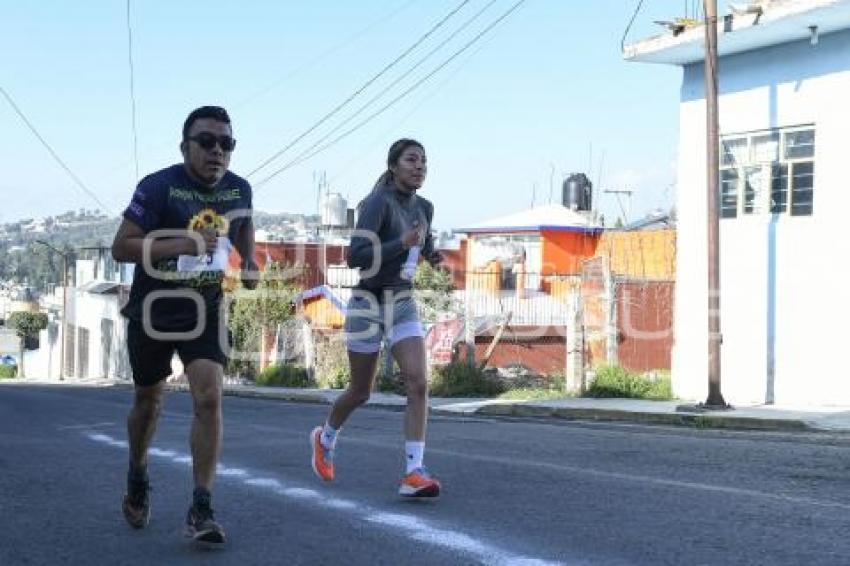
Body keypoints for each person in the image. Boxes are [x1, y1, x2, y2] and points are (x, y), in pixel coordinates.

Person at [111, 106, 257, 544]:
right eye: (207, 142)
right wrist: (182, 241)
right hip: (155, 307)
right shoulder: (158, 186)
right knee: (148, 402)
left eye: (226, 143)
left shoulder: (238, 189)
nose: (217, 151)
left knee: (209, 398)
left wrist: (248, 262)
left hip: (204, 308)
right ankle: (137, 471)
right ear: (185, 146)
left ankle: (201, 506)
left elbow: (245, 225)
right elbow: (121, 247)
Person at [310, 138, 443, 498]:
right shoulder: (377, 204)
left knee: (418, 383)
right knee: (360, 391)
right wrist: (401, 243)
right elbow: (356, 256)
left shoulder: (426, 207)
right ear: (393, 166)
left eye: (424, 161)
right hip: (368, 303)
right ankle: (326, 436)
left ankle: (414, 471)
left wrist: (432, 255)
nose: (419, 167)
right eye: (412, 160)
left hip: (402, 302)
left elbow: (422, 242)